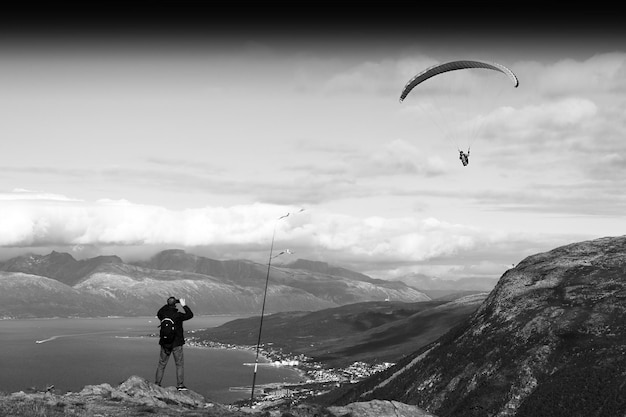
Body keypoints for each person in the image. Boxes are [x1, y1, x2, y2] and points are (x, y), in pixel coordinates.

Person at [155, 296, 194, 391]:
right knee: (179, 364)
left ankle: (157, 384)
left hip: (165, 343)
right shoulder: (178, 315)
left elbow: (159, 312)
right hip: (177, 343)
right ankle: (180, 385)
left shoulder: (163, 314)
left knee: (161, 364)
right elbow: (190, 315)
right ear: (175, 305)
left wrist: (169, 303)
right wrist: (183, 304)